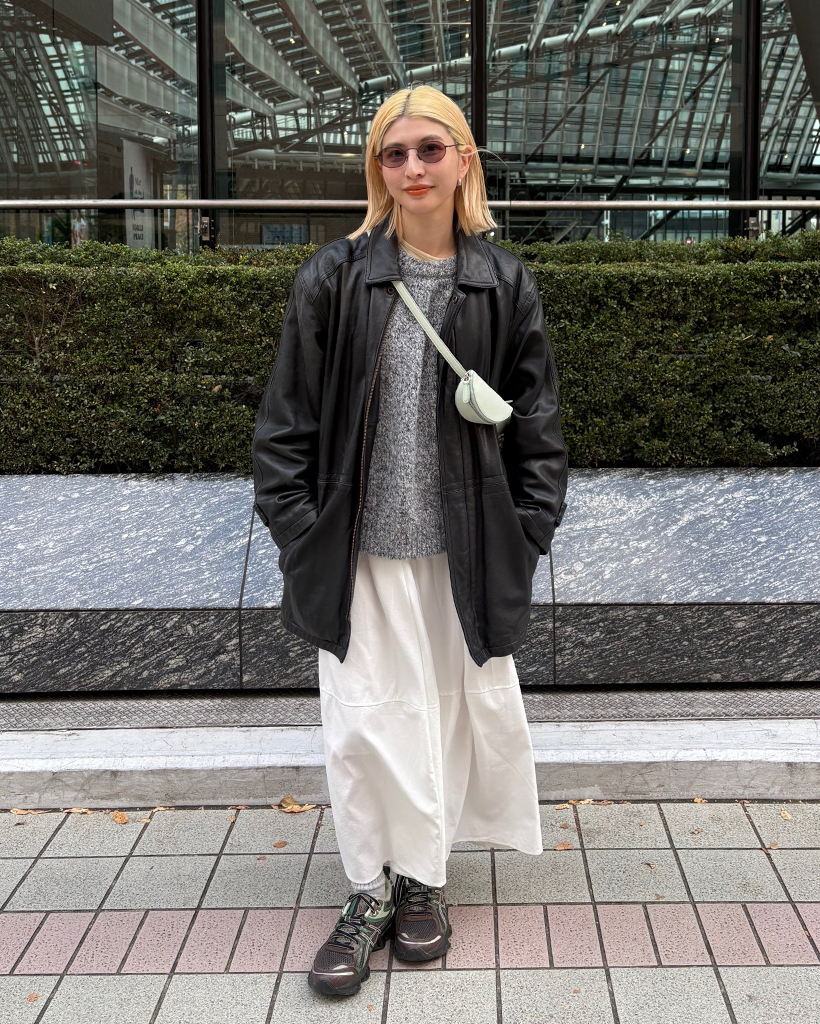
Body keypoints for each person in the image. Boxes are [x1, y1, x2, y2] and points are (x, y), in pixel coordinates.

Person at [252, 84, 568, 998]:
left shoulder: (502, 280)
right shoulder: (334, 275)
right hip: (353, 551)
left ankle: (423, 880)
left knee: (445, 720)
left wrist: (527, 531)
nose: (414, 167)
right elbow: (286, 423)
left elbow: (539, 427)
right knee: (363, 727)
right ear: (377, 169)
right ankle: (368, 891)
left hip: (465, 550)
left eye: (431, 149)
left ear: (464, 160)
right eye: (395, 154)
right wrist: (300, 533)